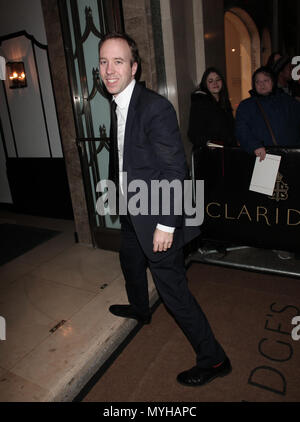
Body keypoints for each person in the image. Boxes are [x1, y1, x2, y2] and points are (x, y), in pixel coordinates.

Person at [99, 32, 231, 386]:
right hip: (133, 206)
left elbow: (175, 171)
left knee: (174, 293)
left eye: (118, 62)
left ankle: (215, 359)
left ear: (134, 68)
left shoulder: (154, 107)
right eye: (103, 62)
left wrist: (166, 226)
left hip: (159, 215)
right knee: (129, 258)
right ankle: (140, 309)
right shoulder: (118, 103)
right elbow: (128, 158)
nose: (109, 70)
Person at [236, 66, 300, 161]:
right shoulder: (246, 106)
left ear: (273, 82)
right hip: (262, 157)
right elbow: (241, 130)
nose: (262, 84)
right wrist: (254, 145)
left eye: (266, 80)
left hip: (290, 157)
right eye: (258, 82)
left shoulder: (288, 102)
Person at [188, 67, 236, 148]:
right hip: (209, 154)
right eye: (210, 81)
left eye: (218, 80)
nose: (215, 83)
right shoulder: (200, 103)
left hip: (226, 153)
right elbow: (193, 134)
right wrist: (210, 144)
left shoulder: (224, 102)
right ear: (205, 84)